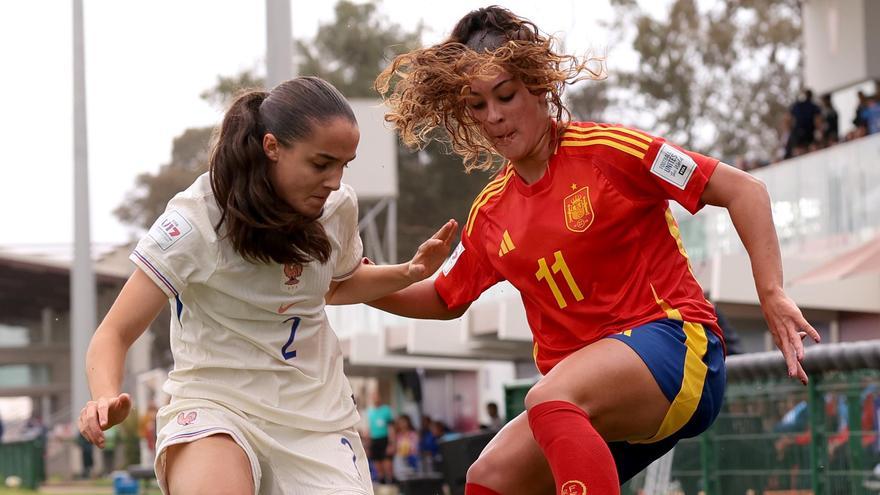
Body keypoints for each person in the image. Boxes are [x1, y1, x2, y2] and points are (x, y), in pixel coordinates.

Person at [373, 7, 820, 495]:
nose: (494, 117)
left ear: (539, 86)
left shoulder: (612, 152)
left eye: (505, 95)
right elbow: (444, 298)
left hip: (678, 351)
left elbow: (744, 190)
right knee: (488, 479)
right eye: (477, 106)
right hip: (588, 404)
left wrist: (771, 292)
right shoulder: (490, 214)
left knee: (548, 396)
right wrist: (356, 285)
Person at [77, 76, 457, 495]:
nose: (334, 180)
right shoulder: (194, 222)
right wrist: (103, 396)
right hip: (216, 408)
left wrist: (409, 271)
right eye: (321, 163)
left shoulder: (337, 208)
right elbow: (114, 333)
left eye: (343, 165)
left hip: (316, 419)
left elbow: (331, 286)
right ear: (273, 147)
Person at [366, 392, 396, 485]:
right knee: (378, 467)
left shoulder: (386, 410)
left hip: (385, 439)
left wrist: (391, 443)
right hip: (375, 440)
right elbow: (369, 429)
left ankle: (391, 483)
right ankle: (382, 484)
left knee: (388, 465)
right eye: (373, 397)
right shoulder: (370, 412)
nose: (375, 399)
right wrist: (368, 445)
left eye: (377, 397)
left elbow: (391, 427)